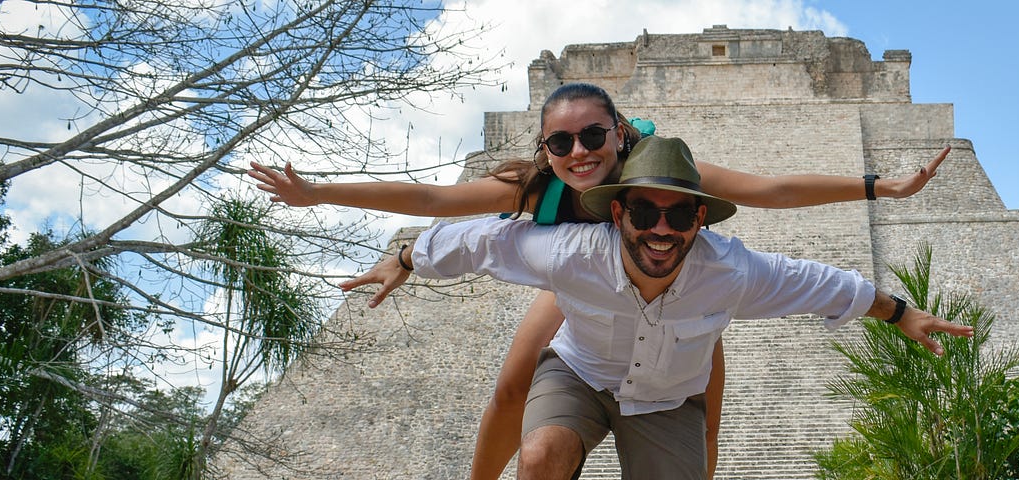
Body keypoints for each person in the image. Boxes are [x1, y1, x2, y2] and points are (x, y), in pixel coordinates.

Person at [248, 82, 949, 479]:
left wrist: (876, 187)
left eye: (592, 138)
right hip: (578, 273)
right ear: (545, 149)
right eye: (561, 143)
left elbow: (772, 190)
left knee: (700, 387)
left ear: (620, 133)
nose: (579, 153)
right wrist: (329, 202)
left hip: (682, 284)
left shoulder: (669, 178)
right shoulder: (537, 196)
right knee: (516, 383)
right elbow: (439, 209)